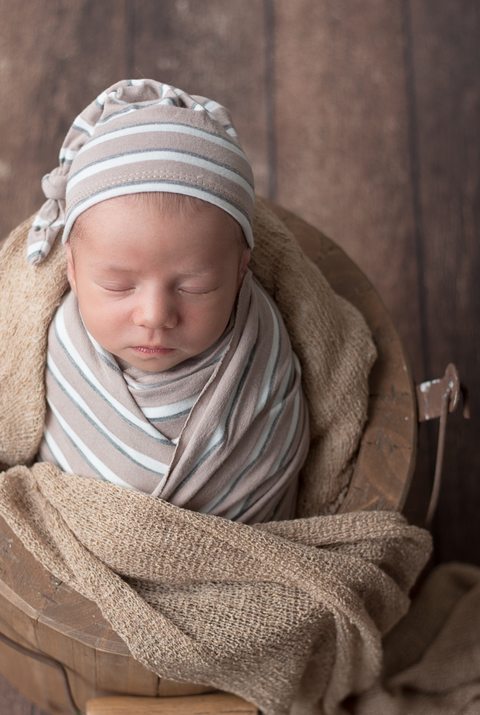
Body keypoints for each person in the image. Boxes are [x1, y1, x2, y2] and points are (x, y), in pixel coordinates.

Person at [29, 79, 309, 523]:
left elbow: (273, 464)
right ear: (73, 271)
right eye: (119, 286)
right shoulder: (60, 342)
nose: (155, 316)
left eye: (194, 288)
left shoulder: (261, 358)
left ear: (240, 272)